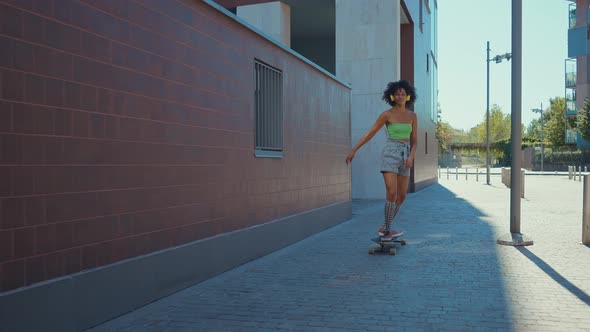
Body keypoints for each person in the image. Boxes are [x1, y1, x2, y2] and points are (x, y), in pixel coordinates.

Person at [345, 80, 418, 241]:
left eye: (403, 93)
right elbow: (370, 133)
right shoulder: (387, 115)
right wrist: (354, 150)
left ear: (408, 96)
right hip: (390, 153)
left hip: (406, 155)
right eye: (397, 93)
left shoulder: (413, 116)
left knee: (402, 196)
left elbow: (414, 140)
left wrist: (411, 157)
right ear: (392, 96)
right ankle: (387, 231)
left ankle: (386, 227)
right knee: (391, 193)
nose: (400, 96)